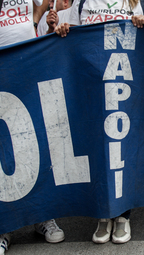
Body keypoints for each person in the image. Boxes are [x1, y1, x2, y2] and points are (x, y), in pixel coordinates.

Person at [54, 0, 144, 245]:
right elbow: (72, 42)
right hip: (92, 89)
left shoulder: (140, 2)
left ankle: (122, 215)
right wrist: (62, 30)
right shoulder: (81, 3)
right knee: (97, 149)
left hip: (125, 87)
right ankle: (102, 213)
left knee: (123, 148)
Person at [0, 1, 65, 254]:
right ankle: (4, 226)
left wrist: (48, 30)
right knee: (4, 144)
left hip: (28, 69)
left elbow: (33, 28)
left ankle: (42, 217)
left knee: (36, 140)